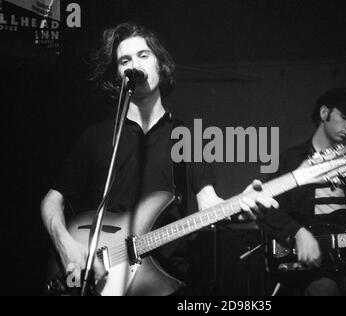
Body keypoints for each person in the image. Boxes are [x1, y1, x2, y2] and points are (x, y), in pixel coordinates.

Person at [40, 22, 278, 296]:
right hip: (99, 281)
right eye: (125, 60)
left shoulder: (189, 136)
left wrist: (238, 207)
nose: (135, 65)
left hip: (166, 282)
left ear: (160, 65)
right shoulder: (95, 137)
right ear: (118, 75)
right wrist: (66, 245)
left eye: (144, 55)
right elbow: (51, 200)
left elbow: (208, 203)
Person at [254, 88, 346, 296]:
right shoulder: (291, 160)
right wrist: (297, 233)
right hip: (312, 268)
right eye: (344, 117)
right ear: (324, 113)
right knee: (324, 290)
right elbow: (264, 207)